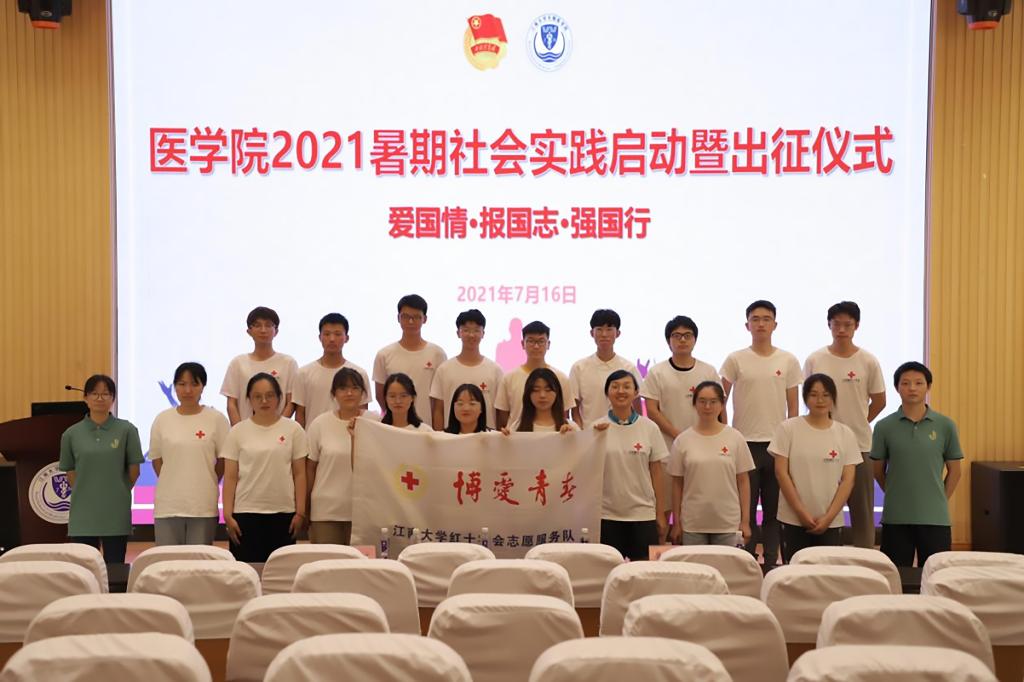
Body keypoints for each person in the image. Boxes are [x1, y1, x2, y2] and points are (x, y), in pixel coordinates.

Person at [720, 300, 802, 568]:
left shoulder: (788, 360)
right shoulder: (735, 359)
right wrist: (726, 433)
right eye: (755, 319)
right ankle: (745, 561)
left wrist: (791, 442)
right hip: (743, 444)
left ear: (775, 324)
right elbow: (720, 398)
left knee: (773, 509)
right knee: (744, 510)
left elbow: (793, 406)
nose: (761, 324)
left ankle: (770, 561)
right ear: (747, 325)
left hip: (776, 446)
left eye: (766, 319)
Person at [803, 301, 886, 548]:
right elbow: (808, 397)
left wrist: (858, 422)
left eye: (847, 325)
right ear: (828, 325)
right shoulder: (815, 359)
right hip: (820, 444)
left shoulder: (868, 361)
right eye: (836, 324)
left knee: (862, 512)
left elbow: (880, 401)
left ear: (856, 326)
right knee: (822, 506)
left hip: (859, 445)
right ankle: (820, 557)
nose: (841, 330)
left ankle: (865, 558)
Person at [871, 362, 963, 567]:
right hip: (896, 517)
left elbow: (955, 471)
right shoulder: (884, 426)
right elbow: (877, 471)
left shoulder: (945, 425)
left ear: (928, 386)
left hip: (935, 518)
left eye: (918, 383)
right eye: (905, 383)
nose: (912, 388)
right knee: (896, 575)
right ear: (897, 388)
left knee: (936, 575)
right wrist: (895, 492)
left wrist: (939, 499)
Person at [770, 374, 860, 562]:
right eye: (813, 395)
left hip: (831, 522)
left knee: (827, 575)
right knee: (793, 573)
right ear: (805, 397)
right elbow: (781, 473)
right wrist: (801, 513)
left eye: (826, 395)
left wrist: (829, 517)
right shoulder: (788, 429)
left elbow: (848, 480)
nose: (820, 400)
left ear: (833, 398)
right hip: (792, 519)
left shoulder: (845, 434)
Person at [641, 315, 720, 531]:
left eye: (687, 335)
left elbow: (719, 408)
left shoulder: (708, 371)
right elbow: (652, 410)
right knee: (664, 505)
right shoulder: (657, 372)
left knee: (697, 504)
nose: (682, 340)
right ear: (669, 341)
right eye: (676, 336)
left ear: (695, 340)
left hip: (703, 449)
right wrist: (679, 435)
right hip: (666, 449)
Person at [221, 373, 307, 562]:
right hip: (245, 514)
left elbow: (300, 474)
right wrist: (227, 514)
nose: (264, 401)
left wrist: (300, 512)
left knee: (281, 574)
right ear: (249, 400)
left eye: (270, 395)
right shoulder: (237, 432)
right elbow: (230, 476)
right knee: (246, 574)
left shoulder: (293, 430)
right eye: (257, 396)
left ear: (279, 398)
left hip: (284, 514)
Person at [58, 374, 144, 563]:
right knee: (84, 569)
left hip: (116, 512)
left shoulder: (127, 430)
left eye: (105, 394)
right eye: (94, 393)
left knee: (115, 569)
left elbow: (134, 471)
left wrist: (117, 490)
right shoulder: (71, 434)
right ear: (85, 398)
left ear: (113, 399)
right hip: (83, 513)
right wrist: (87, 491)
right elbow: (70, 472)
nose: (100, 398)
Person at [149, 362, 229, 545]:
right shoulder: (162, 419)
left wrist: (206, 479)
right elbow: (157, 460)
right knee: (168, 560)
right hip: (168, 505)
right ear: (175, 386)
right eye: (182, 384)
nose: (187, 390)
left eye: (194, 384)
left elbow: (223, 461)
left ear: (203, 387)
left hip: (202, 505)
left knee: (198, 559)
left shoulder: (216, 419)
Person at [593, 369, 669, 560]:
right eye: (615, 386)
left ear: (636, 392)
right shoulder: (596, 428)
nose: (621, 391)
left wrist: (660, 513)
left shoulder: (649, 428)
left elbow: (657, 473)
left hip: (643, 515)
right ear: (607, 393)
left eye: (627, 386)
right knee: (608, 571)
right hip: (607, 515)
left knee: (644, 571)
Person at [668, 381, 753, 547]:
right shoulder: (683, 440)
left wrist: (745, 521)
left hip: (728, 524)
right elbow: (677, 484)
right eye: (702, 401)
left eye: (713, 401)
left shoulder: (735, 438)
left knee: (727, 565)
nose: (707, 406)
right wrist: (677, 522)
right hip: (693, 525)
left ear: (721, 405)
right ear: (695, 404)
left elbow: (743, 481)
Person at [306, 368, 378, 544]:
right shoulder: (320, 424)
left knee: (363, 562)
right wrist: (305, 508)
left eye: (355, 388)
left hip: (364, 512)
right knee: (327, 561)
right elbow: (310, 469)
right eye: (343, 388)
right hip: (326, 512)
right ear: (334, 394)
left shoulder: (374, 422)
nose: (349, 393)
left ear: (363, 393)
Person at [372, 294, 447, 420]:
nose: (411, 321)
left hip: (427, 426)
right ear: (398, 318)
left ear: (425, 319)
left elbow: (440, 398)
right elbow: (380, 395)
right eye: (406, 317)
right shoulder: (384, 355)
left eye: (416, 317)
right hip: (395, 427)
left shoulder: (437, 354)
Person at [220, 306, 299, 425]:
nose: (263, 330)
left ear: (276, 331)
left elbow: (291, 402)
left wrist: (278, 427)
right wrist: (239, 430)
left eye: (268, 325)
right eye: (257, 325)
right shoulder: (238, 363)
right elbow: (231, 403)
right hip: (246, 431)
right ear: (249, 331)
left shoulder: (288, 363)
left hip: (279, 431)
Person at [293, 313, 370, 428]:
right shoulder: (303, 373)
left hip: (349, 435)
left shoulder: (359, 374)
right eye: (327, 334)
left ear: (346, 338)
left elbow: (362, 413)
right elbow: (300, 414)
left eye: (338, 334)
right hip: (313, 437)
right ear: (320, 337)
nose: (332, 339)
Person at [430, 309, 503, 430]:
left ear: (483, 333)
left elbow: (500, 411)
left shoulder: (495, 370)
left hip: (486, 438)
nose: (471, 335)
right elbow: (438, 409)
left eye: (476, 330)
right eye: (466, 330)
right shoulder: (444, 369)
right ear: (458, 333)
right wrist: (439, 437)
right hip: (452, 437)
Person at [494, 320, 576, 430]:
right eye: (531, 341)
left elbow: (564, 413)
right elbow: (502, 415)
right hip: (517, 436)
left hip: (553, 436)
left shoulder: (561, 378)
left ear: (548, 344)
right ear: (523, 344)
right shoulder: (509, 378)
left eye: (541, 341)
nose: (536, 346)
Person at [569, 309, 639, 428]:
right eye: (599, 329)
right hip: (589, 433)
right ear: (592, 333)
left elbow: (636, 407)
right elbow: (574, 410)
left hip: (622, 432)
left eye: (609, 329)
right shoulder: (579, 368)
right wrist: (581, 433)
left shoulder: (628, 368)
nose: (604, 334)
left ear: (618, 333)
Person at [510, 368, 578, 433]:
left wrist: (571, 436)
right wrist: (505, 438)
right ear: (528, 394)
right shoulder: (517, 427)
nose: (542, 395)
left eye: (548, 390)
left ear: (557, 393)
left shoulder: (571, 428)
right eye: (536, 390)